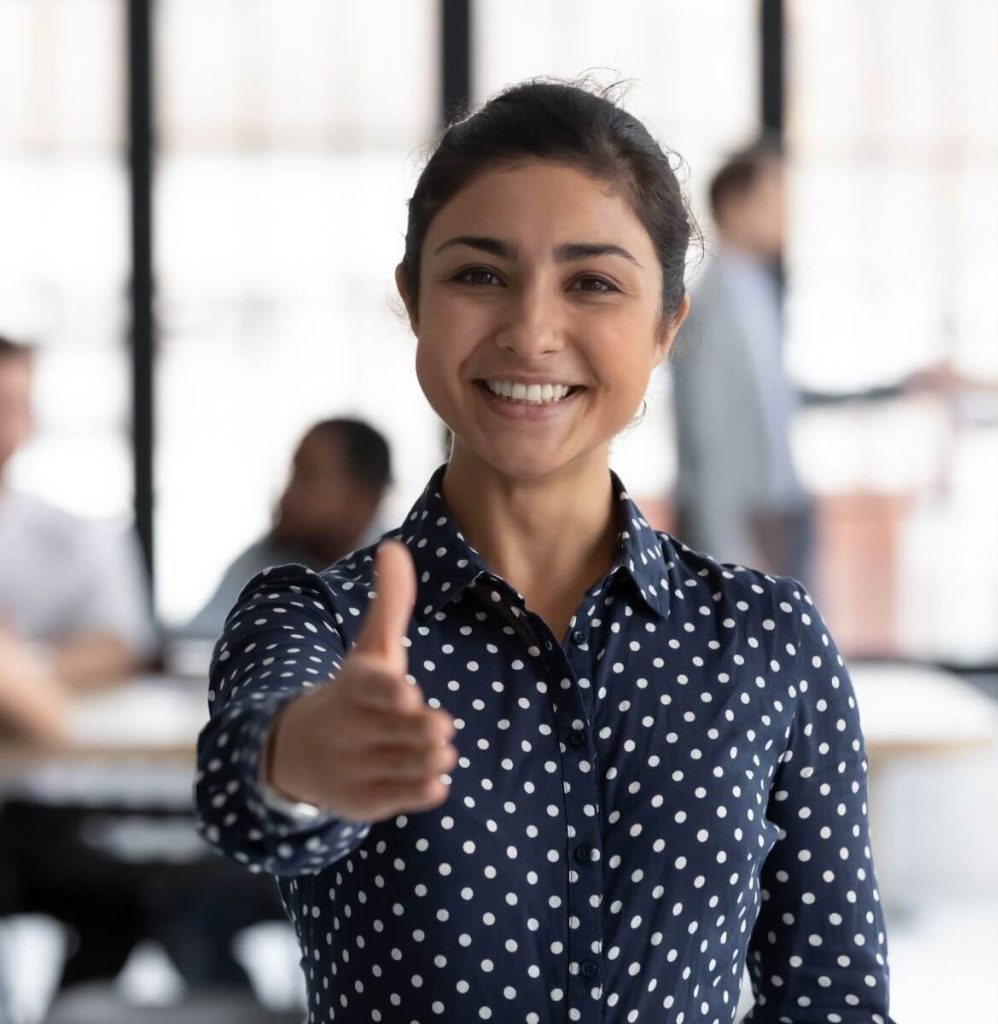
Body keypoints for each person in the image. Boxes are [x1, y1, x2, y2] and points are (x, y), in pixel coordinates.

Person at [196, 80, 895, 1023]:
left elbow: (834, 1000)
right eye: (479, 274)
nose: (531, 332)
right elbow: (243, 794)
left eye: (593, 282)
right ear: (413, 299)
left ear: (666, 327)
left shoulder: (767, 638)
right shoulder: (316, 618)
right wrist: (300, 761)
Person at [670, 140, 815, 585]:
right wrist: (729, 554)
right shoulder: (704, 302)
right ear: (735, 204)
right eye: (774, 200)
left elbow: (774, 398)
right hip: (737, 522)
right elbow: (706, 431)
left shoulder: (761, 289)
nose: (786, 215)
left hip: (783, 507)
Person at [0, 335, 156, 741]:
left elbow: (122, 646)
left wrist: (19, 670)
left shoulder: (82, 536)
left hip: (46, 767)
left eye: (9, 407)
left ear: (30, 417)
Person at [182, 417, 391, 638]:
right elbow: (194, 643)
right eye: (292, 474)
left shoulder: (403, 577)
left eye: (306, 476)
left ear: (362, 497)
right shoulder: (265, 558)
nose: (286, 496)